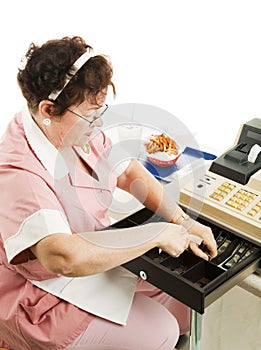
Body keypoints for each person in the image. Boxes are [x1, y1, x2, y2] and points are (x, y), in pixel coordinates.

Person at [0, 36, 217, 350]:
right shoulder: (17, 171)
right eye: (91, 114)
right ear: (48, 109)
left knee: (180, 292)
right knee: (161, 330)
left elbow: (127, 172)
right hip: (41, 294)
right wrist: (154, 235)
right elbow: (62, 256)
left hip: (89, 254)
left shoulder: (75, 128)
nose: (98, 123)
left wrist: (182, 220)